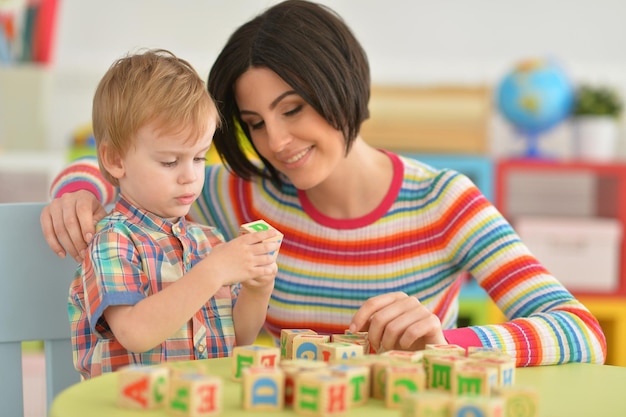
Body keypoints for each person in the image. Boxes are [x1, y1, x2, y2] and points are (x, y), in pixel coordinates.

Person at [43, 1, 606, 367]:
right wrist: (77, 191)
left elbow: (582, 334)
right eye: (256, 123)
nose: (278, 142)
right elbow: (131, 166)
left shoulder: (444, 202)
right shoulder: (235, 194)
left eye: (295, 109)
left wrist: (450, 343)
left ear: (343, 87)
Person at [67, 49, 281, 379]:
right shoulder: (111, 240)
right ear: (115, 160)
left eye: (198, 158)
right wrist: (213, 272)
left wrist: (257, 288)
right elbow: (135, 333)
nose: (190, 176)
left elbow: (239, 337)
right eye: (169, 161)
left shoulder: (208, 240)